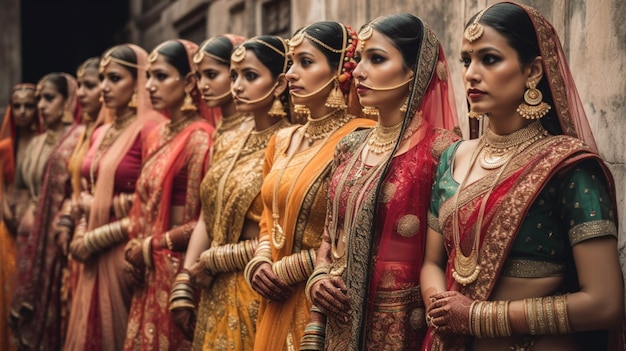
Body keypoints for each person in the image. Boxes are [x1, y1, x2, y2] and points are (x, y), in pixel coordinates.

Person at [420, 2, 624, 351]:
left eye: (490, 59)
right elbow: (432, 263)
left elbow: (605, 303)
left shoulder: (568, 167)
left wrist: (477, 318)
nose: (470, 73)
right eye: (467, 61)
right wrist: (442, 309)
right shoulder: (453, 158)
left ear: (532, 71)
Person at [304, 13, 461, 351]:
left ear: (413, 71)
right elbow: (331, 232)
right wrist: (318, 277)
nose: (358, 71)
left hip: (402, 323)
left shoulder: (442, 150)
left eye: (376, 59)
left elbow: (451, 254)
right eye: (359, 58)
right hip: (339, 316)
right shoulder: (350, 145)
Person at [245, 21, 376, 351]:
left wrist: (289, 269)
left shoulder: (360, 138)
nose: (290, 73)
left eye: (305, 62)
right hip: (271, 293)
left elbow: (354, 229)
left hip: (317, 296)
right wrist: (260, 262)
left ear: (339, 72)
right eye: (291, 63)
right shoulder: (282, 139)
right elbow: (267, 218)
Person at [179, 35, 291, 351]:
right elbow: (207, 213)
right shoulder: (228, 140)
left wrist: (215, 259)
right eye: (234, 76)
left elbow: (282, 236)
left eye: (250, 76)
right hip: (213, 286)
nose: (237, 86)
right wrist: (187, 278)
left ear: (280, 84)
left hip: (254, 283)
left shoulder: (289, 144)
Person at [65, 44, 164, 351]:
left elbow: (151, 204)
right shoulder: (100, 131)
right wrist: (81, 233)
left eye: (115, 79)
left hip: (123, 249)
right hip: (87, 251)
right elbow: (86, 192)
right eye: (104, 78)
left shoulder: (152, 130)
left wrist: (94, 238)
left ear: (137, 84)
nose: (105, 87)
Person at [119, 39, 216, 351]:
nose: (149, 86)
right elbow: (143, 205)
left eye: (160, 76)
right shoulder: (159, 133)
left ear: (189, 82)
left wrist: (152, 245)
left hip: (177, 269)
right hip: (148, 267)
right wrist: (138, 246)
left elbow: (204, 222)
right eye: (148, 77)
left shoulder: (201, 138)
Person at [10, 72, 83, 350]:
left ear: (67, 101)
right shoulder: (35, 144)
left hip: (57, 242)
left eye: (49, 98)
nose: (41, 105)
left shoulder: (76, 140)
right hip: (27, 239)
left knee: (58, 310)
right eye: (39, 98)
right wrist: (17, 212)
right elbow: (20, 188)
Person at [0, 83, 41, 351]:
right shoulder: (4, 147)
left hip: (36, 223)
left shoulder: (45, 142)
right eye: (18, 106)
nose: (23, 111)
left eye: (29, 105)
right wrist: (5, 208)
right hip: (7, 223)